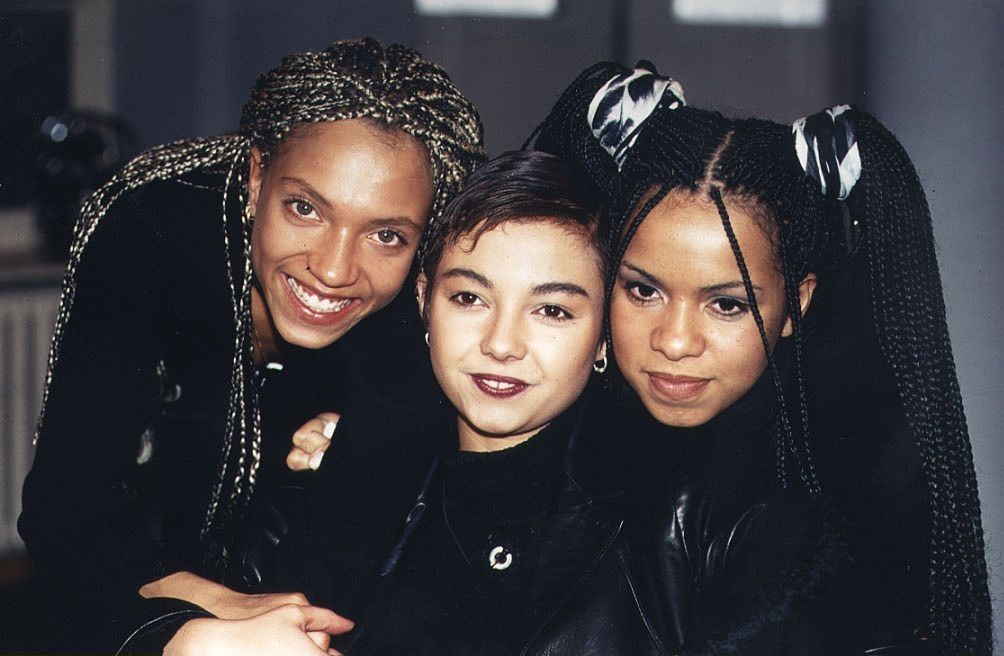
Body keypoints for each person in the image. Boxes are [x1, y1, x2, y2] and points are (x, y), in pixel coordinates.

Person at [151, 150, 846, 656]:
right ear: (424, 302)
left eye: (551, 310)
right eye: (469, 298)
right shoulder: (350, 479)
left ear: (602, 334)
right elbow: (139, 597)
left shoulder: (677, 523)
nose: (502, 343)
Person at [17, 37, 484, 652]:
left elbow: (336, 575)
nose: (335, 269)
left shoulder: (417, 306)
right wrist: (216, 608)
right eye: (304, 208)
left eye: (387, 236)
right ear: (257, 173)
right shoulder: (149, 225)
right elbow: (66, 507)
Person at [529, 61, 993, 654]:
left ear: (796, 304)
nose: (674, 341)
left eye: (725, 305)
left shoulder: (814, 540)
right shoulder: (546, 439)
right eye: (643, 290)